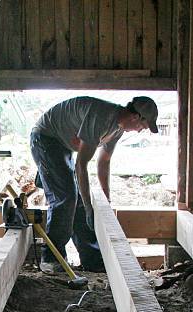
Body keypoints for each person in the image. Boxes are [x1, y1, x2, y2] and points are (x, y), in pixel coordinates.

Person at [30, 95, 159, 273]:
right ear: (136, 117)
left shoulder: (118, 129)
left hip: (62, 144)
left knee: (78, 201)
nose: (140, 131)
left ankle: (93, 260)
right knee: (66, 198)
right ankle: (50, 258)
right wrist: (89, 207)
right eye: (142, 127)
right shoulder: (102, 117)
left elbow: (103, 162)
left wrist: (106, 199)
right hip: (46, 139)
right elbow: (81, 165)